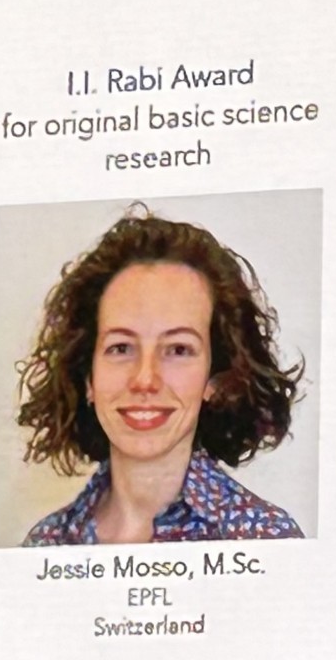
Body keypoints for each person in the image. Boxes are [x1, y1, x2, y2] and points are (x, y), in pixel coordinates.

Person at [19, 211, 305, 545]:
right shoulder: (45, 543)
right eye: (121, 347)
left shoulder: (266, 539)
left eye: (179, 350)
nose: (145, 379)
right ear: (87, 378)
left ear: (215, 379)